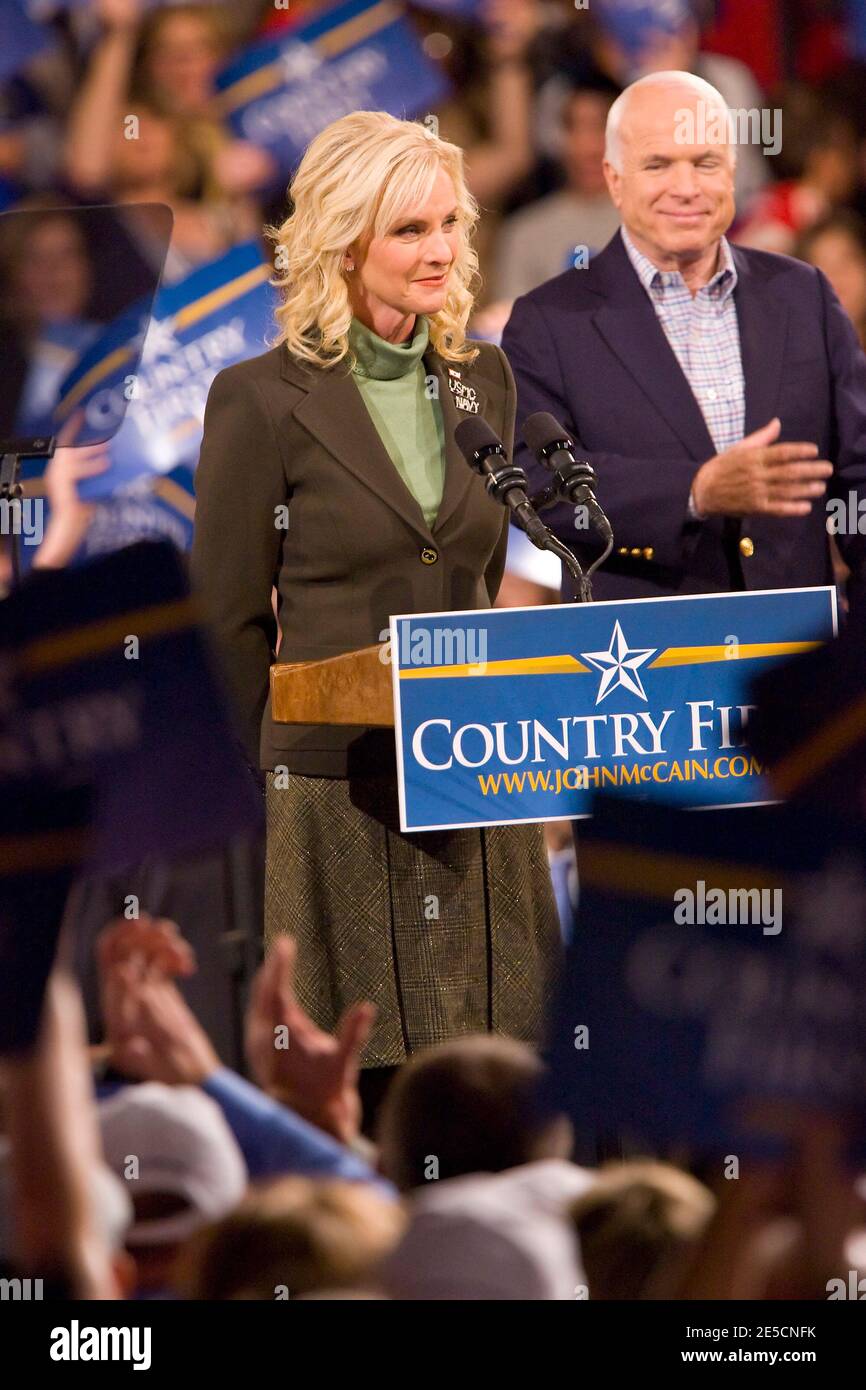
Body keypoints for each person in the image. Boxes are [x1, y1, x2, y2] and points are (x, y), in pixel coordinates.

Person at [191, 112, 561, 1089]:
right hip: (331, 794)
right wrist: (270, 774)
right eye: (408, 230)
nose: (439, 248)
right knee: (363, 1079)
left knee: (494, 1073)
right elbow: (226, 619)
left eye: (449, 223)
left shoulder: (485, 378)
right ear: (344, 243)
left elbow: (477, 575)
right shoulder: (261, 396)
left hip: (477, 777)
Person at [501, 70, 866, 611]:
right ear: (615, 178)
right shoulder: (549, 322)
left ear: (733, 170)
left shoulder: (802, 294)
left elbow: (858, 471)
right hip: (641, 663)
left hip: (798, 662)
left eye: (705, 162)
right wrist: (695, 491)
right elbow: (535, 487)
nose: (687, 187)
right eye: (658, 164)